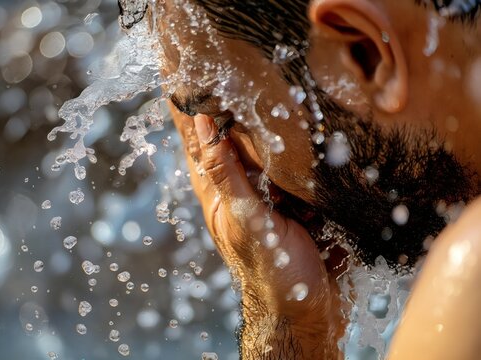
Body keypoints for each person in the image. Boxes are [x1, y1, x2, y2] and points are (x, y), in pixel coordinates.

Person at [119, 0, 481, 358]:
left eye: (232, 120)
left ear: (364, 54)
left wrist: (286, 324)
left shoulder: (469, 277)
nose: (252, 176)